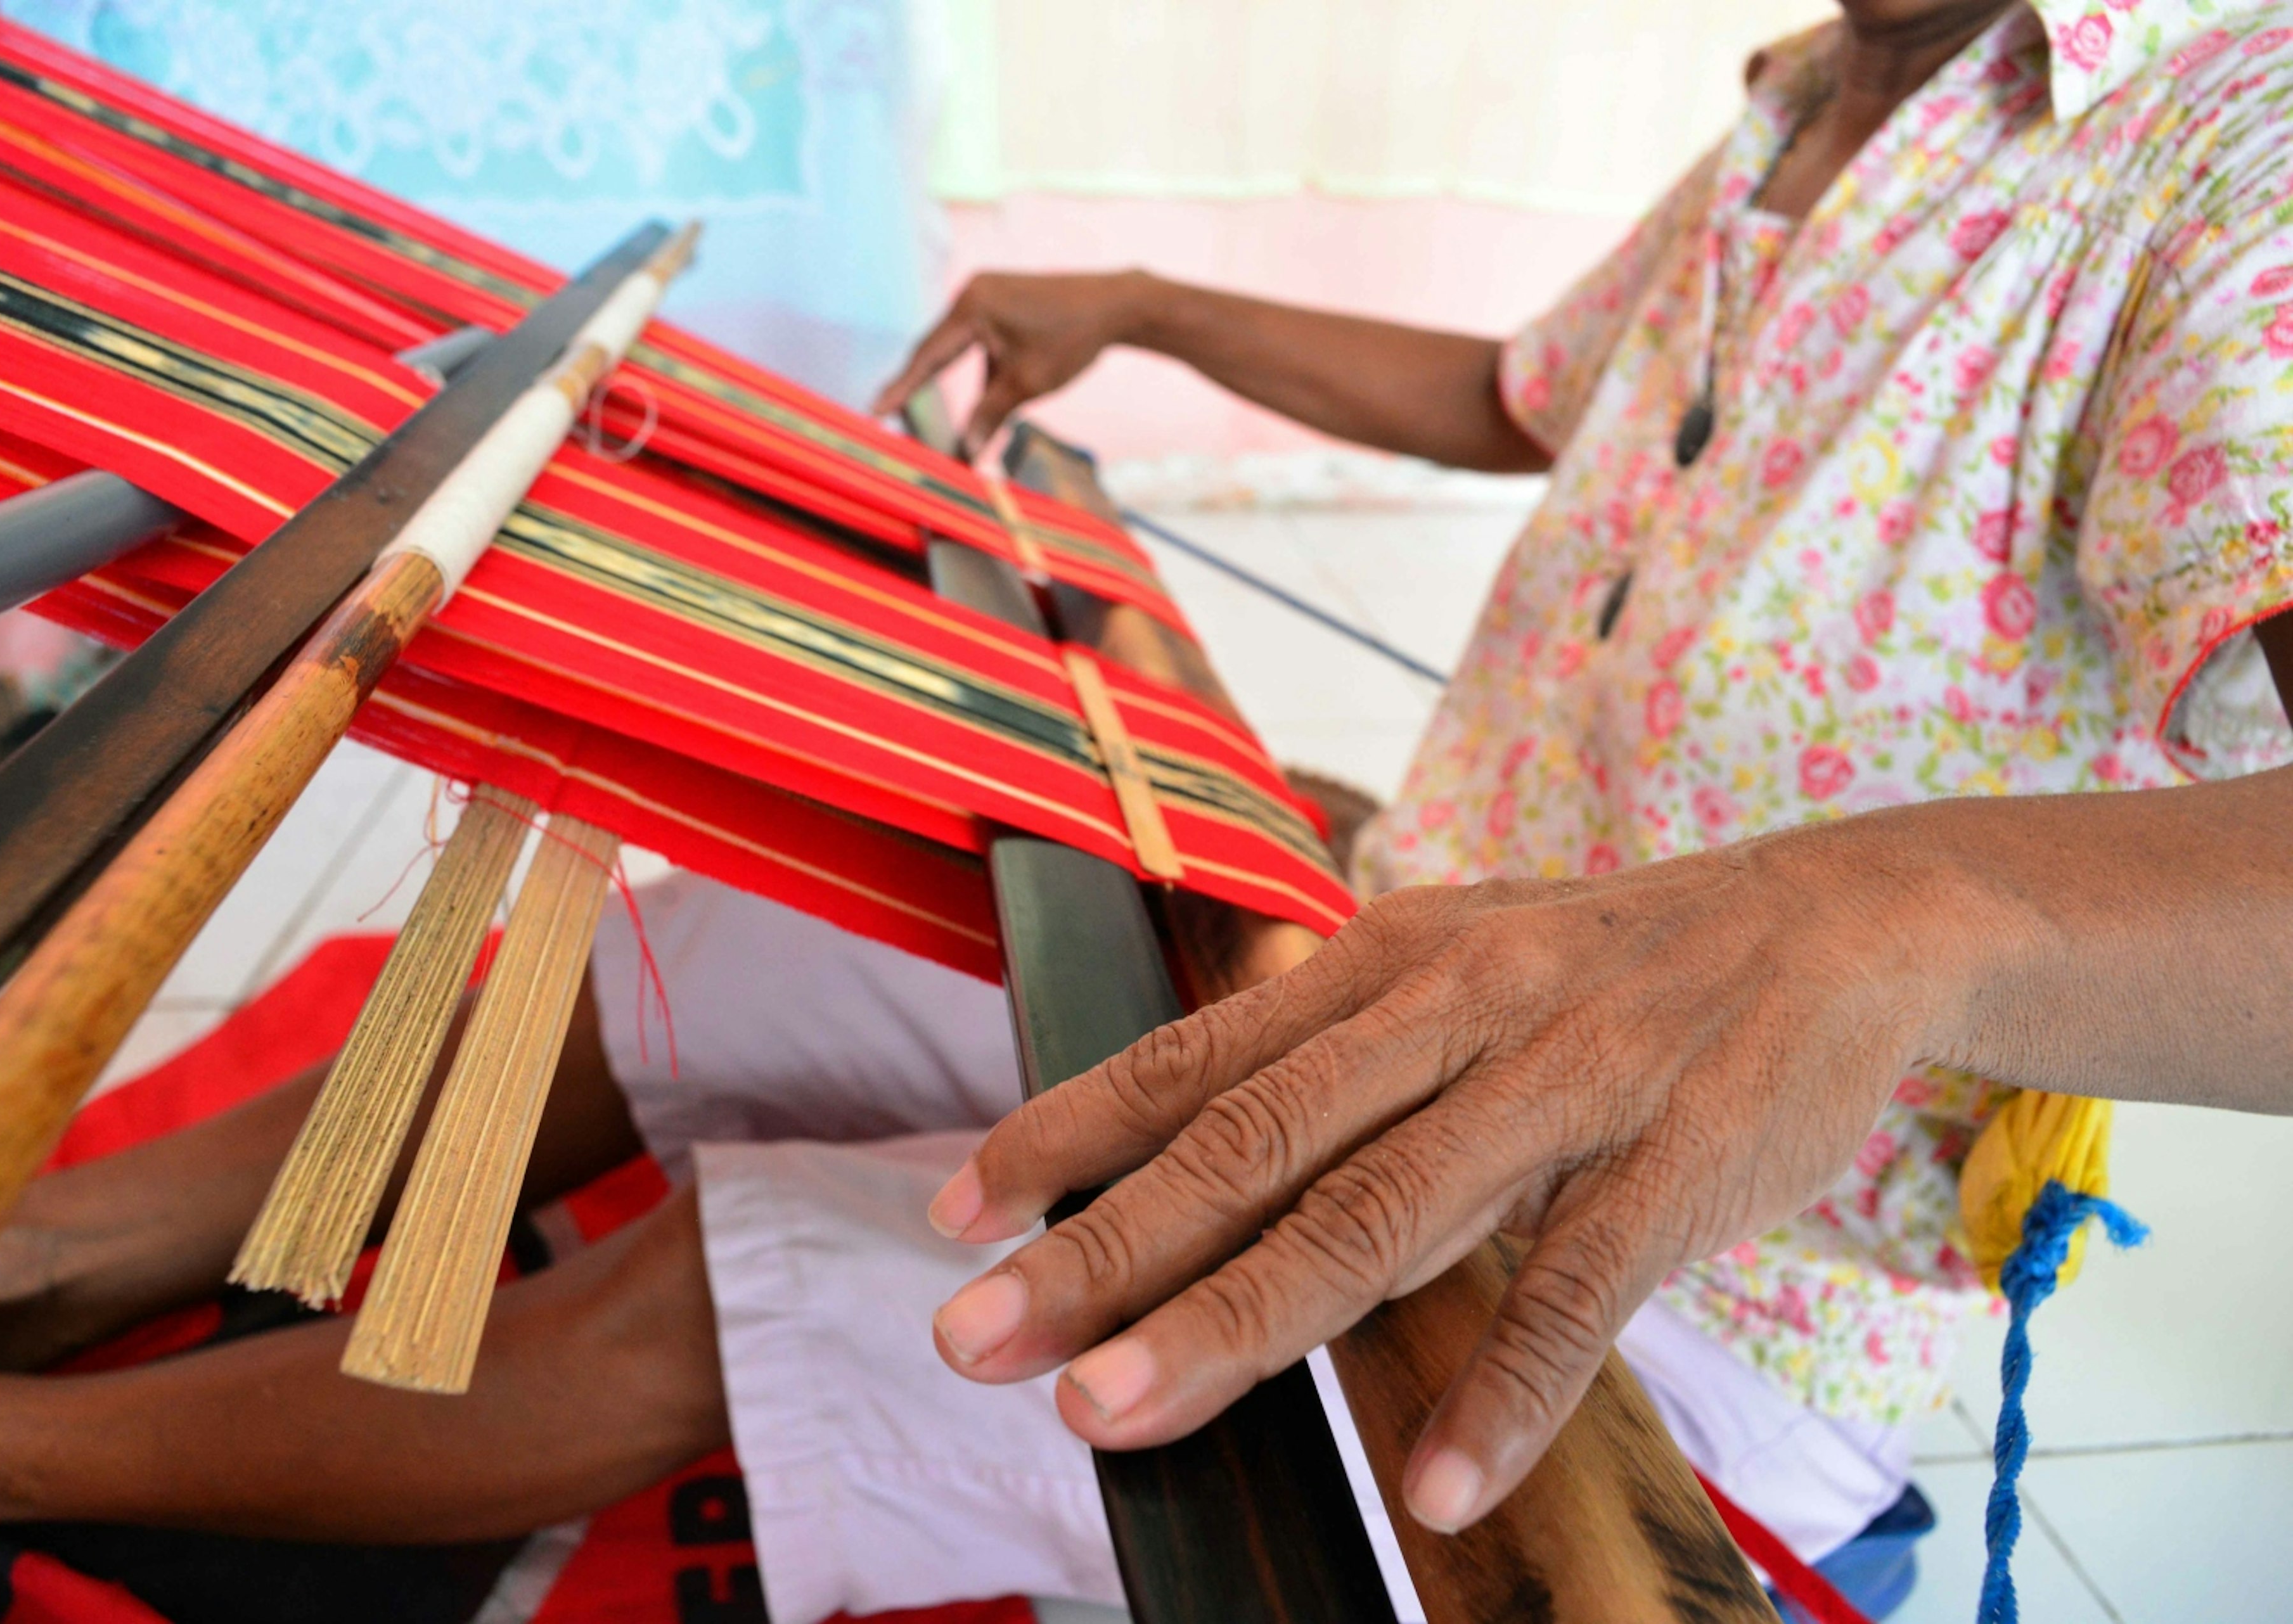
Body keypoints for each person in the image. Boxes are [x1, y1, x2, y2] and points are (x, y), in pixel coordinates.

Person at [885, 0, 2293, 1559]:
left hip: (1728, 1293)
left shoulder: (2243, 147)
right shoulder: (1815, 90)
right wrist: (1145, 309)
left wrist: (1879, 915)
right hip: (1389, 973)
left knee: (745, 1306)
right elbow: (1531, 392)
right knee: (820, 980)